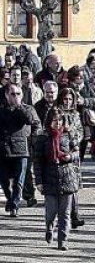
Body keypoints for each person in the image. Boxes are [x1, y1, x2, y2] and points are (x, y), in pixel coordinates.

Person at [32, 110, 79, 250]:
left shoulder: (68, 135)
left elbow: (77, 152)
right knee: (51, 211)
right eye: (55, 120)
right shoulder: (42, 138)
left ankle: (62, 241)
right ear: (49, 122)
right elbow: (37, 161)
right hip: (49, 178)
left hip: (67, 177)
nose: (57, 123)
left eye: (60, 120)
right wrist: (39, 181)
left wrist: (70, 157)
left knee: (65, 213)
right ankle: (49, 227)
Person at [0, 82, 40, 216]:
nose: (15, 96)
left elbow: (31, 121)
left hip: (21, 150)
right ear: (6, 95)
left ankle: (15, 205)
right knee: (4, 180)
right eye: (12, 94)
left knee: (19, 180)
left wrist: (19, 107)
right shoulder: (1, 110)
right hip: (3, 150)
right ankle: (10, 199)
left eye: (18, 94)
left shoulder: (27, 108)